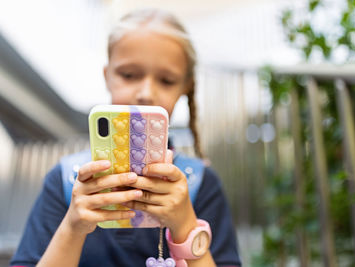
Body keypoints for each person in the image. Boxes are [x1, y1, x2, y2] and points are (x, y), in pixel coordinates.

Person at [10, 8, 241, 267]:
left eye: (166, 80)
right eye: (129, 75)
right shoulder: (65, 181)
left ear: (184, 89)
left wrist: (185, 224)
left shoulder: (201, 185)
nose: (145, 93)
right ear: (107, 76)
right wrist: (73, 227)